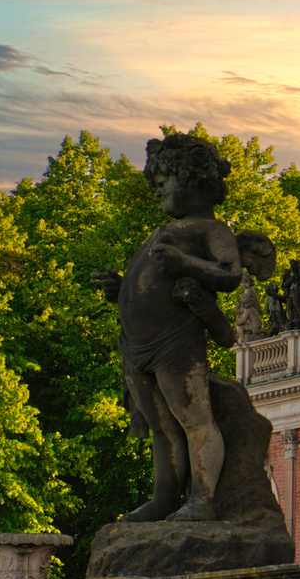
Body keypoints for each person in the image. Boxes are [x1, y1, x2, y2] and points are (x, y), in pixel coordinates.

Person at [91, 132, 246, 523]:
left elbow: (229, 275)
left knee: (194, 420)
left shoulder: (212, 231)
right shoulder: (160, 233)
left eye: (165, 181)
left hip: (175, 340)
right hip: (136, 346)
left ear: (192, 179)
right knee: (162, 428)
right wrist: (119, 289)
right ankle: (163, 500)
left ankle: (203, 500)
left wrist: (185, 264)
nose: (158, 190)